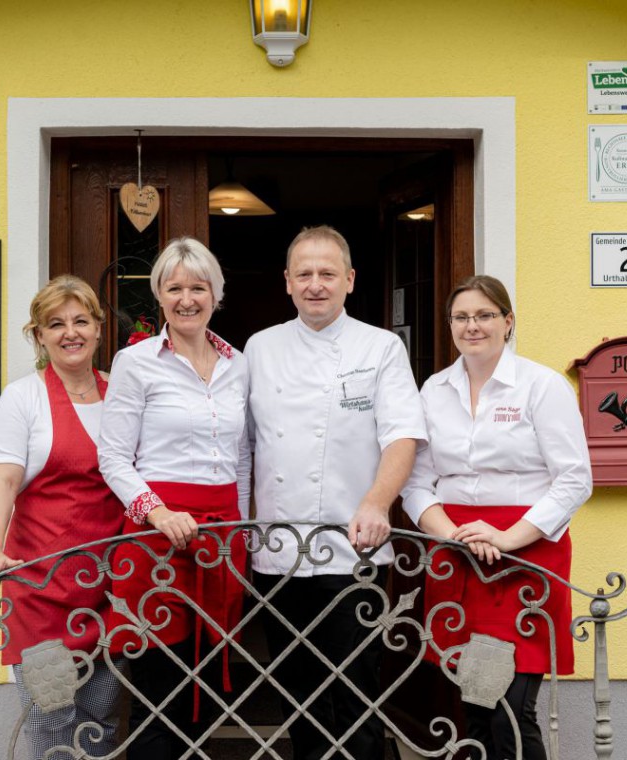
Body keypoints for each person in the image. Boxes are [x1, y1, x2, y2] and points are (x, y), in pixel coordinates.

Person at [245, 225, 427, 760]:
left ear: (349, 279)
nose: (315, 285)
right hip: (277, 553)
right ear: (286, 282)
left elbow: (402, 436)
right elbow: (242, 446)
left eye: (327, 274)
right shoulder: (260, 347)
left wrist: (377, 502)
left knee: (355, 694)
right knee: (295, 696)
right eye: (304, 274)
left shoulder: (380, 346)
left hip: (355, 551)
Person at [402, 275, 592, 760]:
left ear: (508, 322)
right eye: (462, 317)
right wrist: (456, 536)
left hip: (525, 560)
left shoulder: (541, 385)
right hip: (459, 554)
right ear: (450, 326)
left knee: (511, 705)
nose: (473, 326)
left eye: (485, 315)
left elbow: (574, 480)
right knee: (476, 704)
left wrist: (506, 539)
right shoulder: (433, 390)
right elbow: (416, 483)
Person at [97, 237, 251, 760]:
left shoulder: (239, 362)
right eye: (175, 287)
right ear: (159, 297)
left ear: (216, 294)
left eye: (198, 287)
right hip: (156, 542)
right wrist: (158, 513)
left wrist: (243, 529)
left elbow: (244, 456)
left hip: (220, 542)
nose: (187, 298)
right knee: (159, 697)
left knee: (205, 694)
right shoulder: (135, 362)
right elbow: (113, 458)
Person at [0, 275, 126, 760]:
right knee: (54, 728)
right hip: (42, 594)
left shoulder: (120, 394)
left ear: (99, 329)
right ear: (39, 335)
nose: (69, 332)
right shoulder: (24, 399)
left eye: (80, 321)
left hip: (108, 591)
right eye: (55, 324)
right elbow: (4, 485)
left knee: (99, 726)